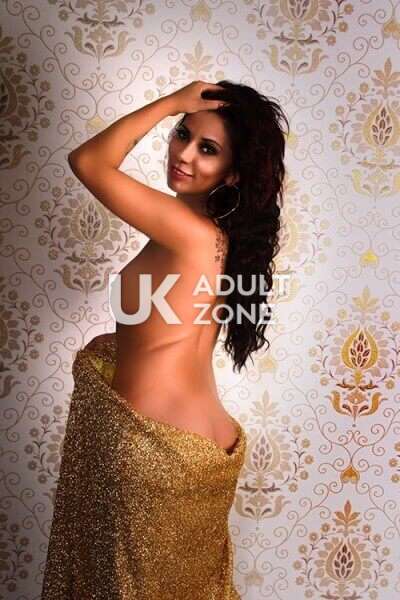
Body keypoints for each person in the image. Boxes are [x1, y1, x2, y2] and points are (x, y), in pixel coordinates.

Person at [41, 80, 289, 599]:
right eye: (182, 134)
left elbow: (89, 161)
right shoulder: (221, 241)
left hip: (152, 450)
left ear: (234, 172)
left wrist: (173, 102)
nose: (184, 154)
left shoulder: (186, 231)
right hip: (205, 451)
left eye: (208, 149)